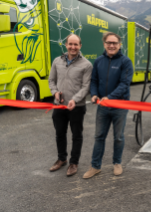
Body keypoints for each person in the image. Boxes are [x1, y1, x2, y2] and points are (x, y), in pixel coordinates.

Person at [83, 32, 133, 179]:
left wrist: (109, 97)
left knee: (118, 137)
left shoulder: (125, 62)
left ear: (119, 45)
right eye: (109, 43)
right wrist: (93, 94)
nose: (112, 45)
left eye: (115, 43)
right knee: (99, 136)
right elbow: (94, 81)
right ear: (104, 44)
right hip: (103, 106)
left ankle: (117, 163)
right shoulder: (98, 61)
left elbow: (125, 84)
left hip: (119, 106)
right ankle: (95, 166)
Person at [48, 34, 93, 176]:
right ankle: (62, 159)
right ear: (65, 45)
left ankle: (74, 163)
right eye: (70, 44)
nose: (73, 47)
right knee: (59, 133)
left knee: (76, 135)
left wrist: (75, 99)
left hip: (77, 107)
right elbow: (51, 80)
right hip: (59, 105)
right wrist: (55, 92)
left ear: (80, 46)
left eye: (76, 44)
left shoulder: (86, 65)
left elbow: (86, 87)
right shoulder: (57, 61)